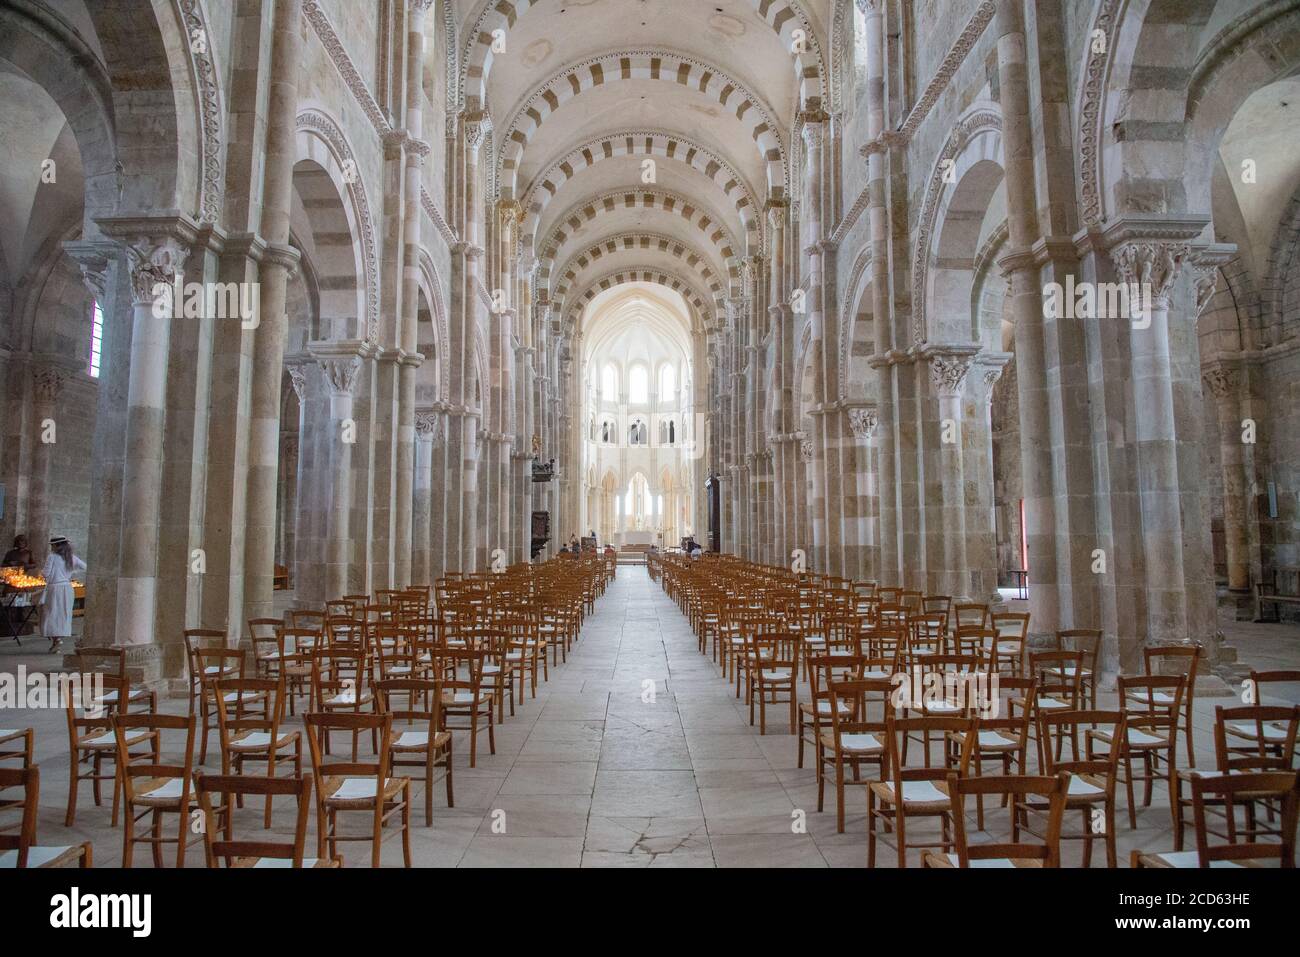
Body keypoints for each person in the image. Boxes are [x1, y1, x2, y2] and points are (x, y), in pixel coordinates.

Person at [41, 536, 85, 652]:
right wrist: (71, 572)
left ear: (56, 546)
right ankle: (58, 639)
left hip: (55, 588)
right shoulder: (71, 557)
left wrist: (42, 574)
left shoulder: (52, 557)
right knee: (63, 614)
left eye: (52, 545)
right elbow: (84, 567)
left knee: (51, 613)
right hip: (67, 588)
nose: (51, 547)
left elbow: (46, 573)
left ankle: (57, 639)